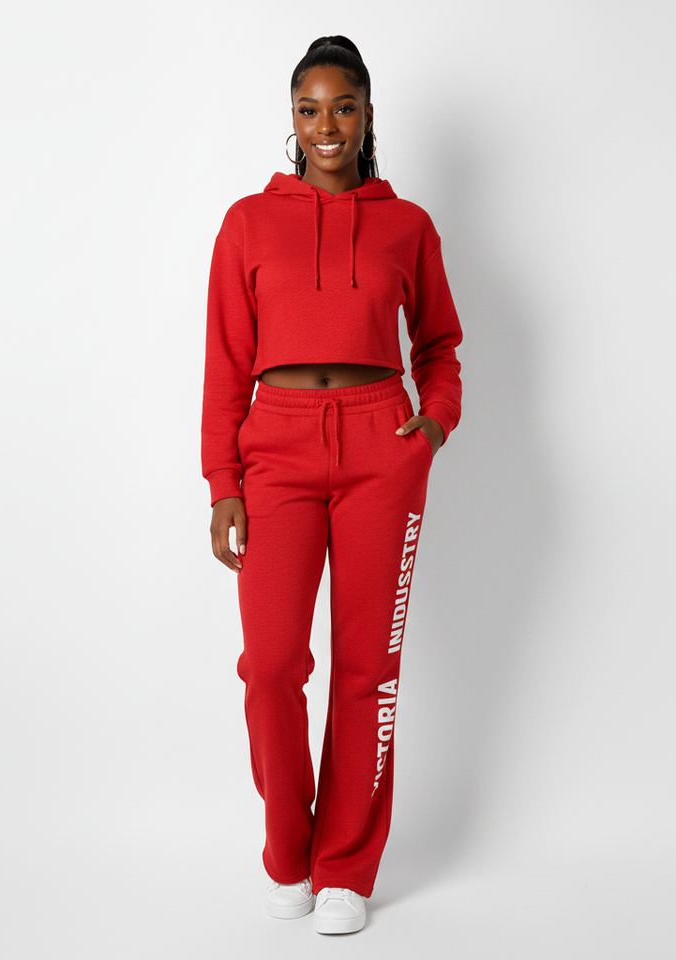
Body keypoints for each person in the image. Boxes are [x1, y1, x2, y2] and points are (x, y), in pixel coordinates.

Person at [201, 36, 463, 935]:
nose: (326, 126)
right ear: (292, 119)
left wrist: (432, 426)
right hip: (274, 447)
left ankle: (346, 865)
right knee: (272, 665)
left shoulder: (407, 226)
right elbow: (224, 364)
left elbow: (440, 346)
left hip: (380, 444)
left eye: (343, 107)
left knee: (366, 670)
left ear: (367, 116)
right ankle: (289, 849)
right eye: (309, 110)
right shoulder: (247, 223)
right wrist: (223, 482)